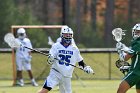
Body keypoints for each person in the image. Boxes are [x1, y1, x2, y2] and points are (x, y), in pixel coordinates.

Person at [38, 26, 94, 93]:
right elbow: (49, 62)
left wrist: (86, 67)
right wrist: (51, 58)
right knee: (44, 91)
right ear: (62, 35)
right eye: (66, 34)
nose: (68, 36)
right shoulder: (56, 46)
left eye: (69, 35)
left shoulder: (74, 49)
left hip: (66, 77)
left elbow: (80, 62)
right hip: (56, 74)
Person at [116, 23, 140, 93]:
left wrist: (120, 51)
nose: (136, 33)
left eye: (138, 32)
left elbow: (125, 58)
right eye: (136, 31)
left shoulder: (138, 43)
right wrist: (130, 67)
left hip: (135, 73)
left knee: (120, 91)